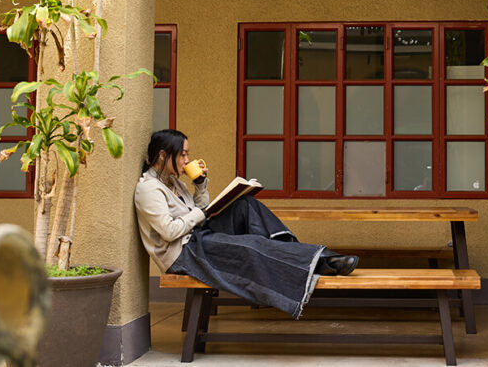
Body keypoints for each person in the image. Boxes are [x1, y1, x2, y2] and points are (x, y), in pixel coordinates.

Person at [134, 129, 358, 319]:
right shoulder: (149, 189)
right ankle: (317, 259)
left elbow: (196, 211)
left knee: (245, 205)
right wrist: (201, 213)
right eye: (182, 155)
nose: (186, 160)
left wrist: (200, 186)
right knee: (251, 245)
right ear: (162, 155)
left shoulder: (173, 181)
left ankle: (295, 254)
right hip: (182, 253)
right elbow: (168, 231)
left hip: (197, 237)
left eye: (187, 154)